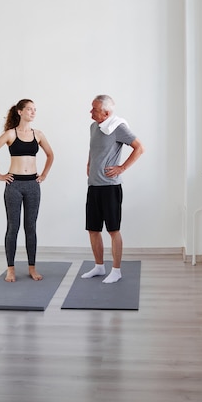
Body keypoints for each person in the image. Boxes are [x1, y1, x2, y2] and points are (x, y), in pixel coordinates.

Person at [0, 99, 54, 283]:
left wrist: (44, 174)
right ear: (20, 111)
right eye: (29, 109)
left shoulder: (38, 134)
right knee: (13, 227)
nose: (33, 112)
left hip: (32, 185)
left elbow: (50, 154)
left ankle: (32, 268)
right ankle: (10, 269)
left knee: (30, 227)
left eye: (35, 110)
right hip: (14, 185)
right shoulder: (10, 134)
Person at [82, 94, 144, 284]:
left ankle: (116, 270)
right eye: (91, 108)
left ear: (107, 112)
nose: (90, 112)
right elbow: (94, 149)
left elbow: (139, 147)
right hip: (93, 186)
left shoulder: (118, 128)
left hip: (110, 188)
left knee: (113, 230)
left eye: (95, 109)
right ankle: (99, 267)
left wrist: (121, 168)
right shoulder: (94, 126)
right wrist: (89, 163)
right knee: (93, 229)